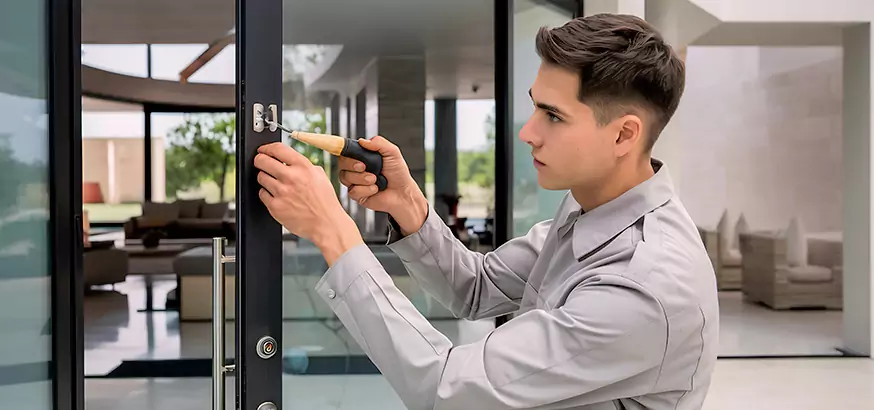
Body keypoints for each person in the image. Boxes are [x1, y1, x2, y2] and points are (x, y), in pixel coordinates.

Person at [254, 13, 718, 410]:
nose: (527, 133)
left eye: (553, 116)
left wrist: (333, 229)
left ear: (623, 135)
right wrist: (407, 202)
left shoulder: (645, 288)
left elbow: (446, 387)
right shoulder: (589, 207)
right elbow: (478, 288)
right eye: (534, 107)